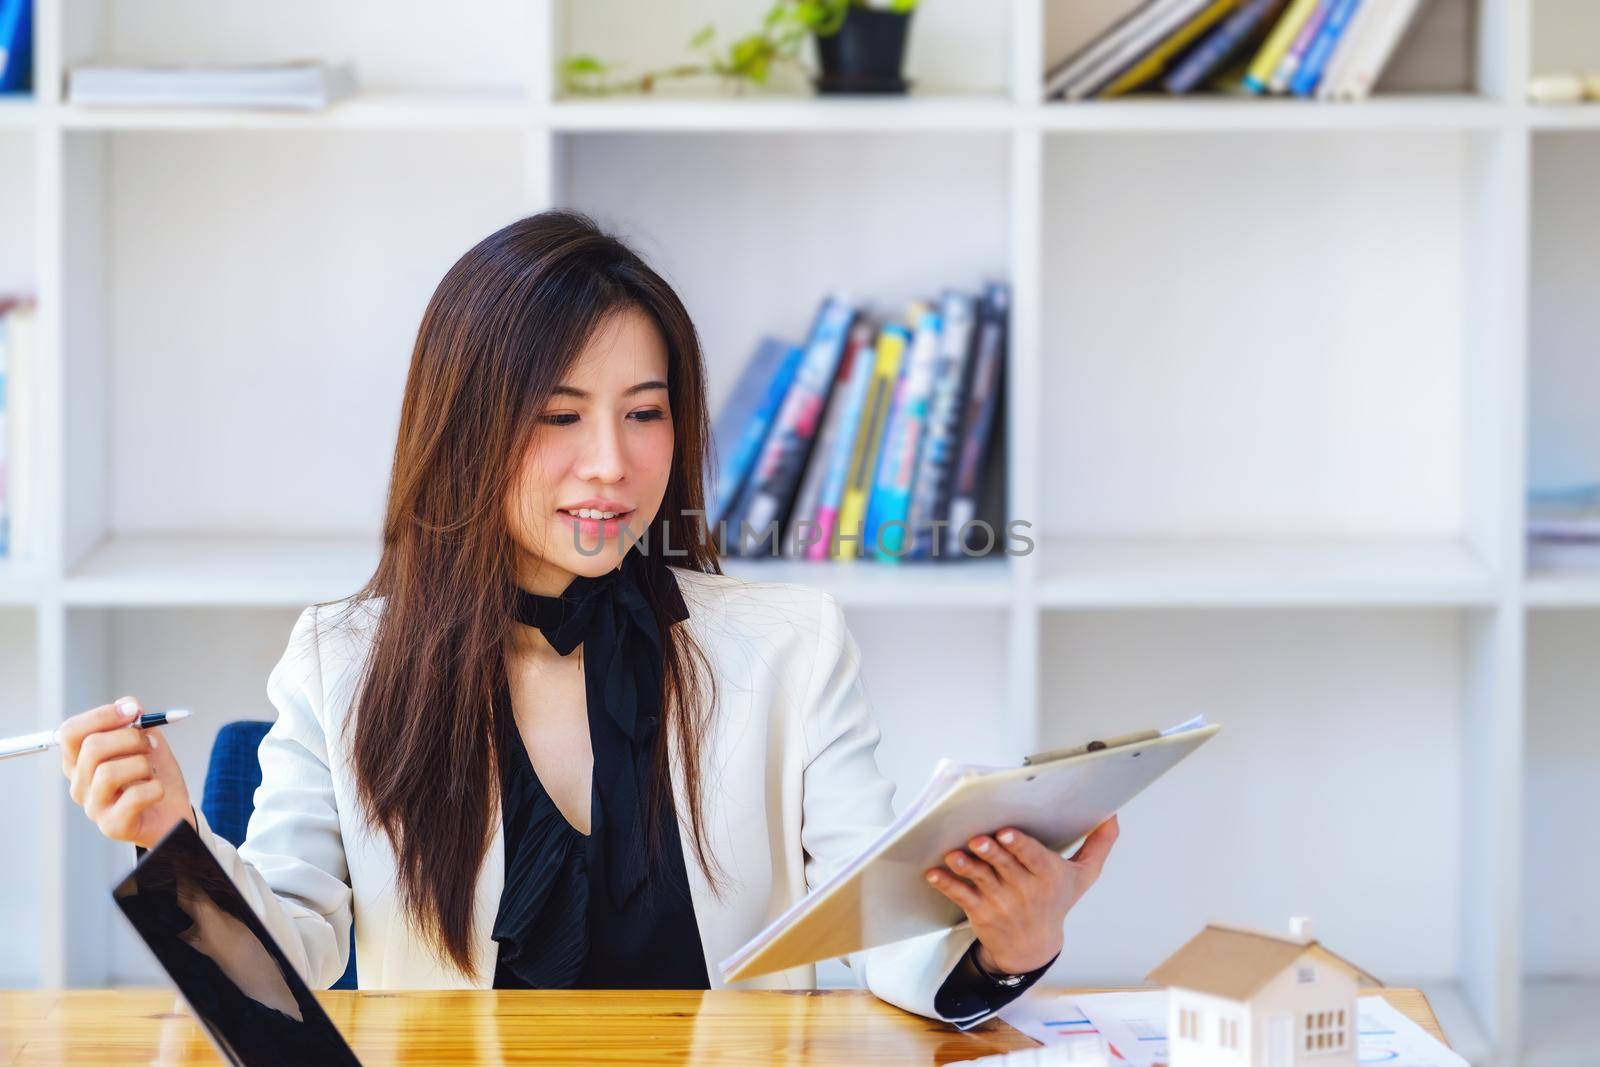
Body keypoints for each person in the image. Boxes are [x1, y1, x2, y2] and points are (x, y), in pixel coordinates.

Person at [58, 210, 1120, 1031]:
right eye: (559, 415)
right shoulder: (344, 661)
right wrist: (167, 834)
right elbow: (273, 977)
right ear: (467, 428)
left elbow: (879, 937)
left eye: (645, 411)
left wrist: (1003, 943)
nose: (610, 461)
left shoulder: (788, 644)